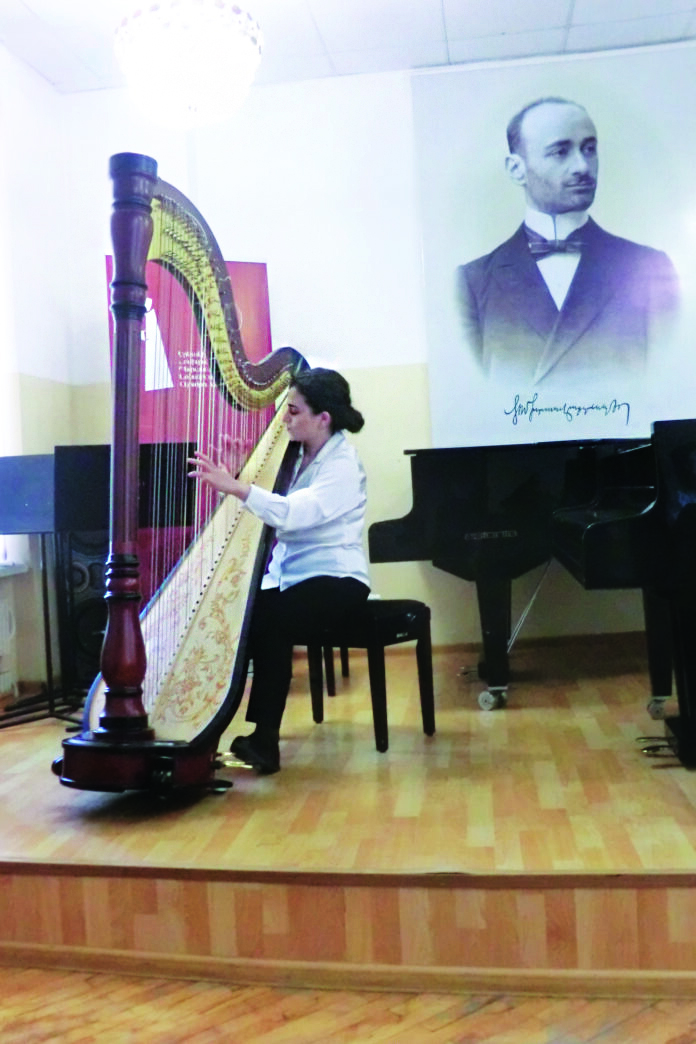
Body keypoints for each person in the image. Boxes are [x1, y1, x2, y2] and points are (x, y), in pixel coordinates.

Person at [188, 367, 370, 774]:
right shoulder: (295, 453)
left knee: (269, 621)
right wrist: (240, 475)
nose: (284, 419)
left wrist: (237, 487)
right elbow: (265, 510)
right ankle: (206, 725)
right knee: (238, 614)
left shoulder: (341, 463)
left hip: (336, 577)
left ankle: (264, 740)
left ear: (323, 418)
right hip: (293, 576)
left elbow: (295, 514)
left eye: (293, 411)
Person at [457, 97, 680, 387]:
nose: (582, 166)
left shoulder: (648, 268)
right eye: (560, 152)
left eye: (589, 149)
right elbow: (473, 398)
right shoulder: (473, 283)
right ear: (516, 169)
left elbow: (670, 384)